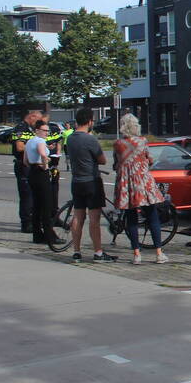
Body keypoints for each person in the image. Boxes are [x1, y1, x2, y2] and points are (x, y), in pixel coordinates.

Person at [113, 113, 168, 265]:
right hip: (143, 183)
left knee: (131, 219)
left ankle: (136, 254)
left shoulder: (118, 144)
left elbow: (116, 164)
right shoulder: (143, 141)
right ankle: (158, 253)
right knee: (152, 216)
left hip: (127, 185)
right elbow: (149, 159)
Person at [67, 108, 117, 263]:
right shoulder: (90, 139)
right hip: (91, 181)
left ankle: (76, 251)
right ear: (89, 121)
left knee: (77, 217)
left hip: (76, 181)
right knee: (94, 219)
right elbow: (102, 160)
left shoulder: (70, 138)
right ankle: (98, 252)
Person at [22, 119, 60, 245]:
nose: (47, 133)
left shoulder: (29, 142)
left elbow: (25, 161)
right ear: (37, 130)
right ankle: (50, 237)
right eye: (44, 130)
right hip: (41, 173)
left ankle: (37, 235)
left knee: (37, 206)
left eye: (47, 131)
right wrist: (45, 165)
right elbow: (43, 155)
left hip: (32, 172)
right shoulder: (40, 141)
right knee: (46, 206)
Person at [10, 109, 42, 233]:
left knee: (33, 195)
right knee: (26, 195)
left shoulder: (29, 129)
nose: (38, 123)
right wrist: (36, 147)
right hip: (23, 165)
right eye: (37, 120)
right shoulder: (21, 128)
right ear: (32, 116)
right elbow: (19, 147)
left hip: (30, 165)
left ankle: (33, 221)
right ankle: (26, 223)